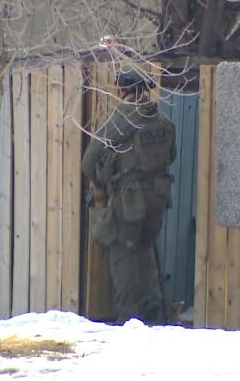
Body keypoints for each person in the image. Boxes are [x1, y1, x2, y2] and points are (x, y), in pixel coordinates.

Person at [81, 66, 176, 324]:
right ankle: (155, 318)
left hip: (128, 205)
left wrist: (102, 181)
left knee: (124, 263)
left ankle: (128, 324)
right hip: (156, 203)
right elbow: (172, 156)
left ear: (122, 90)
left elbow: (88, 162)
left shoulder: (120, 122)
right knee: (147, 260)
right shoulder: (163, 122)